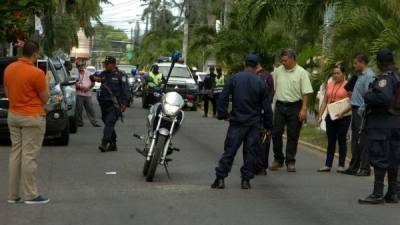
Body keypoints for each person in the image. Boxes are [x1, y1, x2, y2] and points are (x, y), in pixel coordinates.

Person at [211, 55, 273, 189]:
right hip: (254, 123)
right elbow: (267, 107)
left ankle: (220, 178)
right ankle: (246, 181)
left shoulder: (235, 78)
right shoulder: (260, 82)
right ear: (257, 65)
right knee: (251, 152)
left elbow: (223, 97)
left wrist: (223, 114)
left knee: (230, 150)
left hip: (237, 121)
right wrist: (268, 125)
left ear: (244, 64)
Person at [4, 40, 50, 204]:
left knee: (16, 153)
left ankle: (13, 195)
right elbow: (45, 98)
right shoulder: (36, 73)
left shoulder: (9, 69)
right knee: (29, 156)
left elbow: (9, 93)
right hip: (32, 116)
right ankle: (30, 195)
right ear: (35, 54)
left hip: (13, 115)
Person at [359, 48, 400, 204]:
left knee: (379, 156)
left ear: (380, 63)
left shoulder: (385, 78)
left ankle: (377, 193)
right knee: (393, 158)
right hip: (395, 122)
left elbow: (384, 97)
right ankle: (392, 193)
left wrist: (368, 95)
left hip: (382, 123)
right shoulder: (397, 76)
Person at [270, 49, 313, 172]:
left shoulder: (302, 72)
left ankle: (290, 161)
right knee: (276, 133)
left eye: (285, 60)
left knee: (293, 134)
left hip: (295, 106)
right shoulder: (278, 71)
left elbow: (306, 92)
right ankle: (278, 159)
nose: (282, 63)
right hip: (279, 105)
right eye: (281, 60)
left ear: (293, 59)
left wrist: (304, 109)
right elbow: (273, 87)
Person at [343, 54, 376, 177]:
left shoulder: (369, 76)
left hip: (362, 111)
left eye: (356, 63)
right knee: (355, 140)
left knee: (363, 140)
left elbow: (369, 95)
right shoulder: (359, 76)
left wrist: (363, 110)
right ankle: (354, 166)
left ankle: (364, 167)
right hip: (355, 109)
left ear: (362, 62)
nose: (354, 65)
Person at [317, 65, 351, 173]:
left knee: (341, 140)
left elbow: (353, 101)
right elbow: (324, 101)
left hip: (343, 116)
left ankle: (341, 165)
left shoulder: (348, 85)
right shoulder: (330, 84)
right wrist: (320, 115)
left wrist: (343, 112)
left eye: (338, 73)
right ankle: (328, 164)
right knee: (331, 140)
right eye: (334, 73)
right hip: (330, 115)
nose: (335, 75)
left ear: (343, 74)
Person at [91, 56, 129, 152]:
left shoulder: (121, 75)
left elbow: (125, 91)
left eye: (107, 64)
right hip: (104, 104)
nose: (105, 65)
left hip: (115, 104)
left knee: (109, 123)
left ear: (113, 64)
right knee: (106, 122)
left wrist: (124, 104)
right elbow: (92, 77)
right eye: (105, 63)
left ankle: (104, 143)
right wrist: (94, 78)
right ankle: (113, 144)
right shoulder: (103, 73)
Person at [255, 62, 274, 175]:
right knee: (260, 140)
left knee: (260, 139)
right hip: (262, 111)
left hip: (259, 112)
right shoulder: (267, 76)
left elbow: (270, 93)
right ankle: (259, 166)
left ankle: (259, 165)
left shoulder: (265, 76)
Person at [75, 62, 100, 127]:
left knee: (90, 109)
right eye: (79, 66)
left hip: (87, 94)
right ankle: (79, 122)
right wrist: (80, 87)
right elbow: (74, 82)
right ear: (77, 66)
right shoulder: (75, 74)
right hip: (79, 94)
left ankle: (94, 122)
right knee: (79, 109)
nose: (80, 67)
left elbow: (93, 82)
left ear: (84, 66)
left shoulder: (88, 73)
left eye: (81, 65)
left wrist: (87, 88)